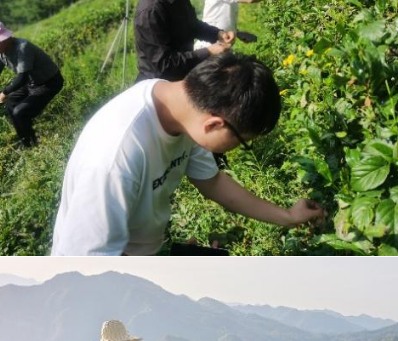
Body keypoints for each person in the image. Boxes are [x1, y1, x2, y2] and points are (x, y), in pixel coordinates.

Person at [50, 51, 326, 255]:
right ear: (215, 124)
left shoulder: (184, 109)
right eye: (242, 142)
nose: (239, 150)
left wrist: (287, 216)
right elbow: (87, 266)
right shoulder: (115, 160)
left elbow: (213, 182)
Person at [0, 20, 64, 147]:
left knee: (20, 112)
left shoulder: (22, 47)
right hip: (32, 83)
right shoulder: (1, 53)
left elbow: (22, 77)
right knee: (10, 105)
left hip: (49, 82)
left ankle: (32, 146)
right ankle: (26, 142)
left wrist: (5, 91)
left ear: (2, 39)